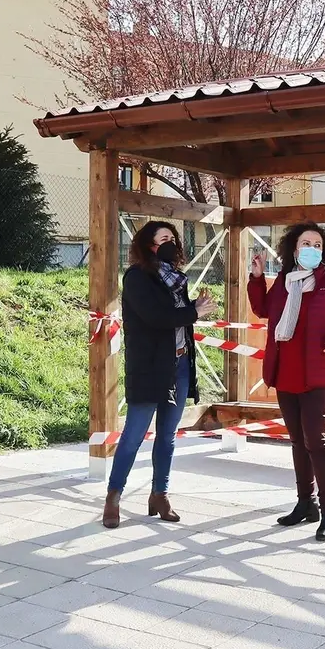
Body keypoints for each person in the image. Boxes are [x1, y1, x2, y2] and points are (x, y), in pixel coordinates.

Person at [103, 221, 216, 529]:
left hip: (178, 365)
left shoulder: (175, 279)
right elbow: (156, 318)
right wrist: (194, 312)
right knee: (134, 434)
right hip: (149, 368)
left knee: (167, 436)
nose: (171, 243)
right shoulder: (138, 277)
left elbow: (175, 318)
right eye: (163, 238)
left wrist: (194, 306)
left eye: (173, 238)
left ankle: (160, 495)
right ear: (148, 244)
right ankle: (113, 497)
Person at [248, 223, 325, 542]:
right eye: (305, 243)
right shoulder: (283, 281)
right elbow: (263, 310)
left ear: (324, 251)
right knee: (297, 441)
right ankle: (305, 503)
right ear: (293, 250)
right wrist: (257, 279)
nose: (311, 248)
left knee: (317, 441)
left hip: (319, 374)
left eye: (317, 244)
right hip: (286, 372)